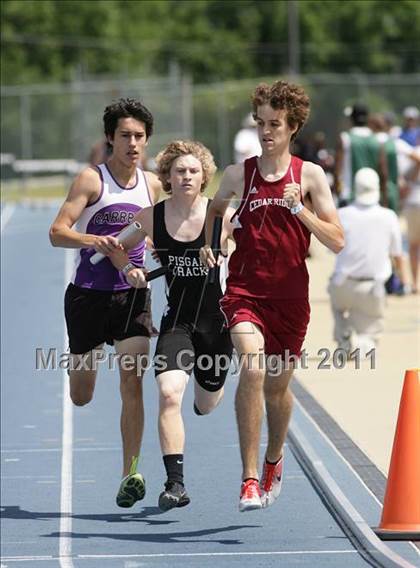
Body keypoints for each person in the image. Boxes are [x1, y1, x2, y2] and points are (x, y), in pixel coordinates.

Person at [200, 80, 344, 512]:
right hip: (244, 292)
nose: (266, 131)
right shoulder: (236, 174)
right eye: (261, 122)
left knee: (278, 390)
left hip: (291, 300)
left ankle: (273, 459)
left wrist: (301, 210)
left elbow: (337, 240)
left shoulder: (311, 175)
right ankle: (247, 480)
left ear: (293, 126)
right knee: (253, 368)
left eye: (275, 124)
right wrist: (212, 241)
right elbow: (214, 208)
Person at [107, 140, 234, 512]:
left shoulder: (220, 216)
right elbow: (117, 247)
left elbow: (246, 257)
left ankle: (207, 393)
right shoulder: (150, 217)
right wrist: (129, 268)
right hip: (176, 323)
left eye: (194, 171)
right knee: (167, 393)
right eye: (179, 171)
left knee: (206, 402)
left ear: (205, 176)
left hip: (216, 325)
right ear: (167, 176)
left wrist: (225, 252)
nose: (187, 176)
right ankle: (175, 484)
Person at [49, 98, 161, 508]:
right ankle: (84, 358)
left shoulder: (152, 185)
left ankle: (130, 471)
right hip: (87, 297)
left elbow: (158, 237)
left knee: (132, 383)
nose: (133, 143)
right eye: (125, 136)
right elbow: (57, 232)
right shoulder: (91, 181)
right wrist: (92, 239)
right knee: (82, 395)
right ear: (110, 138)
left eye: (140, 137)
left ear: (147, 141)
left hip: (132, 297)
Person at [329, 168, 407, 356]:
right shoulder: (389, 216)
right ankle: (360, 342)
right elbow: (397, 255)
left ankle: (344, 334)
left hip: (343, 283)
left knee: (338, 308)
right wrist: (404, 282)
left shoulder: (342, 213)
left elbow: (332, 247)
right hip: (374, 288)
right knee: (371, 334)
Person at [334, 103, 387, 206]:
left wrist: (338, 194)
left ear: (352, 118)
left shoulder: (345, 138)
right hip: (373, 198)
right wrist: (384, 200)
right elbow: (383, 173)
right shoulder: (377, 140)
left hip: (349, 197)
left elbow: (337, 171)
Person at [401, 146, 420, 293]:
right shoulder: (413, 152)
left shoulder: (413, 152)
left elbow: (405, 180)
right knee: (413, 246)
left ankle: (415, 283)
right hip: (414, 201)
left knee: (413, 245)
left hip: (413, 202)